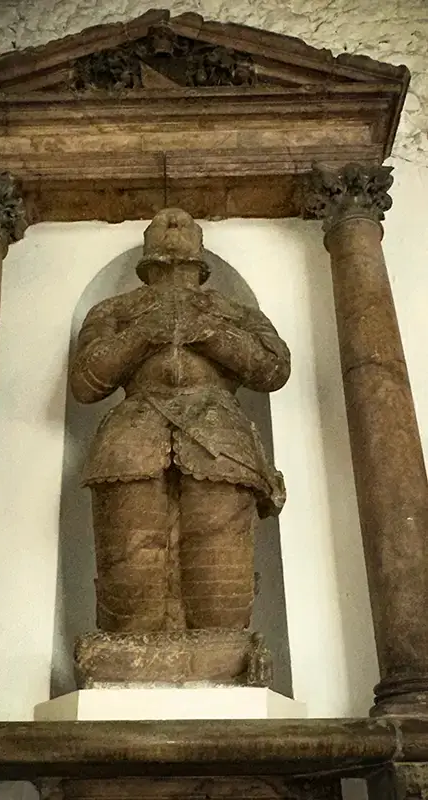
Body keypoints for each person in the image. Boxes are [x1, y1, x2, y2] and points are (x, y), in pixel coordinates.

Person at [70, 208, 290, 636]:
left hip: (220, 437)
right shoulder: (114, 310)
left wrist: (207, 331)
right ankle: (129, 662)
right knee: (131, 580)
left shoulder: (234, 311)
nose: (173, 221)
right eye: (162, 222)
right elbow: (85, 382)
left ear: (201, 248)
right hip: (132, 436)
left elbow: (273, 368)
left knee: (219, 585)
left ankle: (224, 662)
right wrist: (144, 332)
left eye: (185, 222)